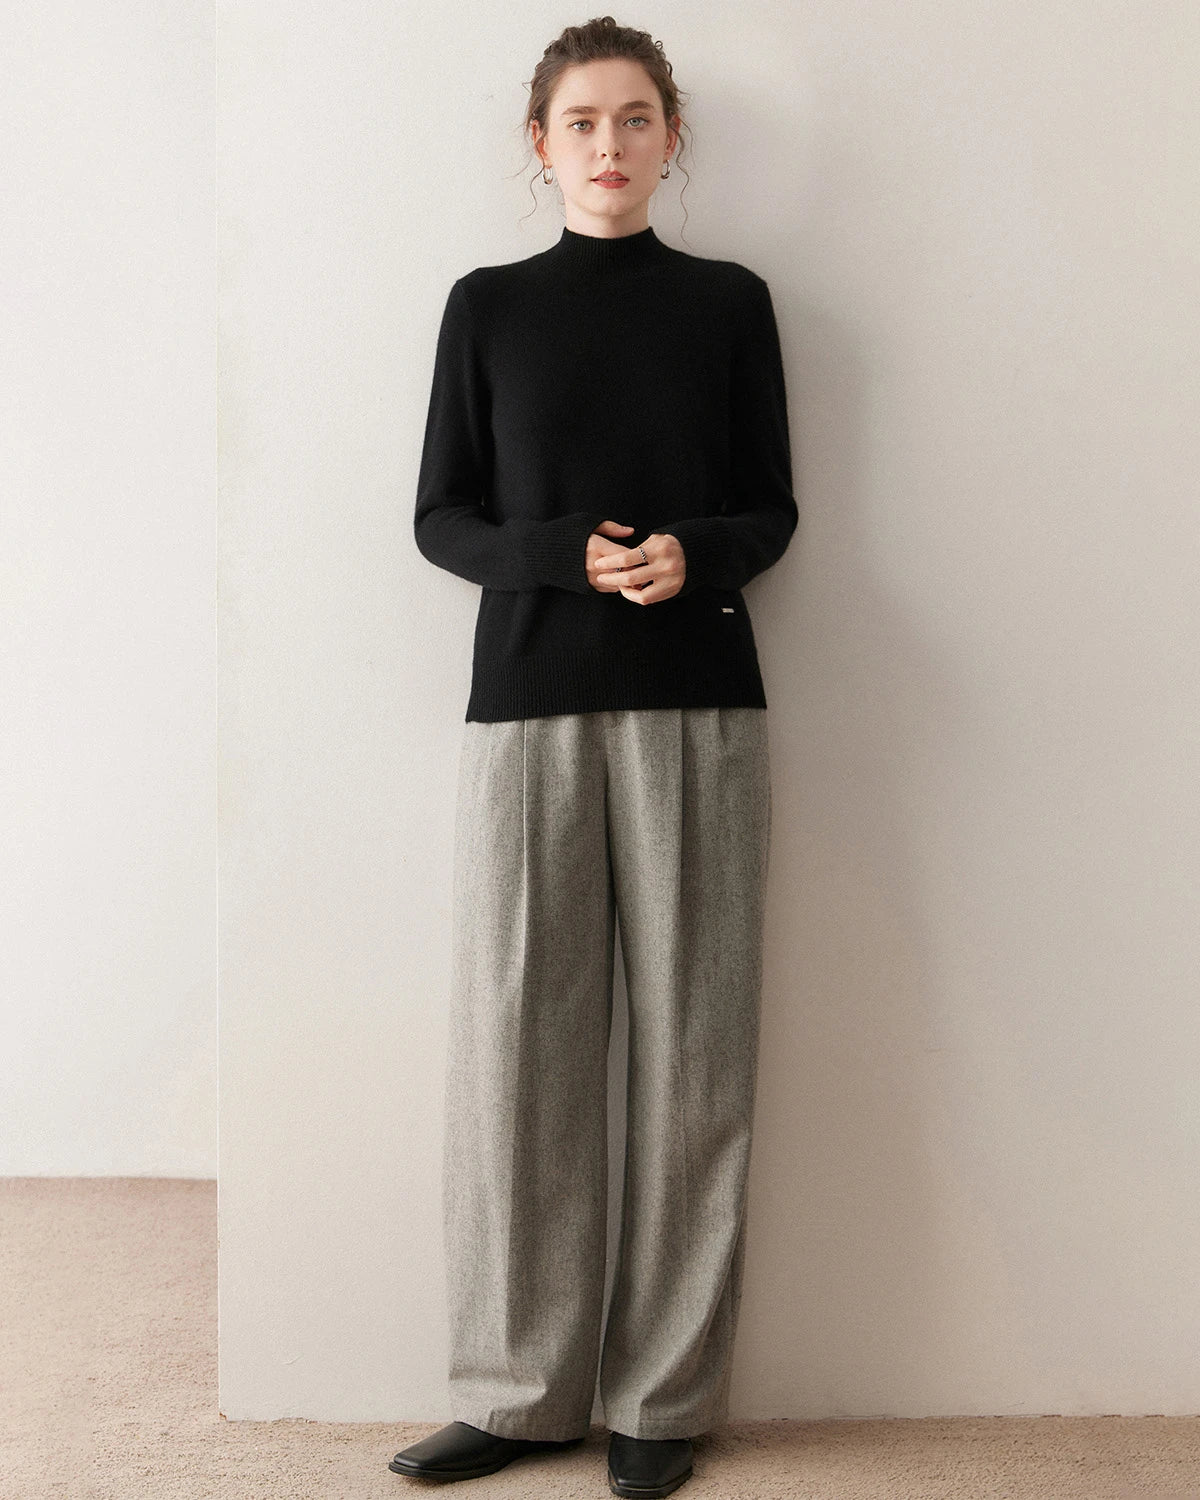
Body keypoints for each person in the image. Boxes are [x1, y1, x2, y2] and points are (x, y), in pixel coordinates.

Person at [388, 17, 797, 1498]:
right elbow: (441, 519)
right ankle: (517, 1394)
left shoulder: (730, 303)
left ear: (670, 137)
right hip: (528, 710)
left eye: (634, 119)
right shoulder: (488, 307)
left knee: (696, 1054)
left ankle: (663, 1398)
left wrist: (697, 552)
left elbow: (770, 508)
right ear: (541, 143)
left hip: (699, 707)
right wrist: (563, 554)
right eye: (581, 122)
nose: (609, 145)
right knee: (519, 1051)